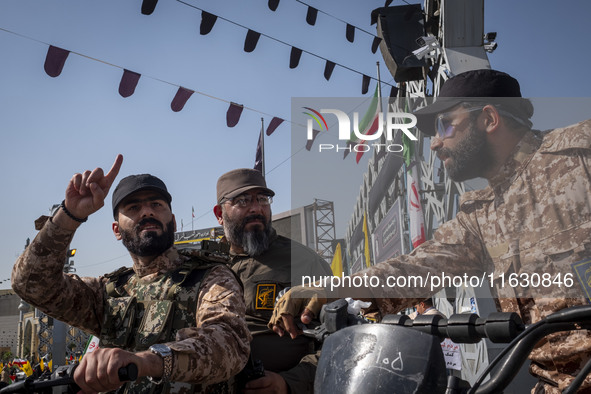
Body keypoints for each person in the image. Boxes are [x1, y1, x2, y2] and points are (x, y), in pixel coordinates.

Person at [269, 69, 591, 393]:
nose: (435, 142)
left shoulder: (581, 156)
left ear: (489, 119)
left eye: (444, 124)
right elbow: (416, 269)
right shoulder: (480, 215)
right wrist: (333, 289)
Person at [11, 154, 251, 393]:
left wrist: (147, 362)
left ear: (174, 222)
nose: (147, 212)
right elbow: (30, 284)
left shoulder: (211, 278)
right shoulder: (108, 291)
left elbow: (229, 344)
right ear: (116, 230)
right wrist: (69, 215)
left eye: (156, 204)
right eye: (134, 207)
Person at [212, 168, 333, 394]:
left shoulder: (303, 261)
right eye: (242, 201)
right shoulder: (208, 266)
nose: (256, 208)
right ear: (220, 213)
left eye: (262, 199)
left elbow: (340, 339)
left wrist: (289, 383)